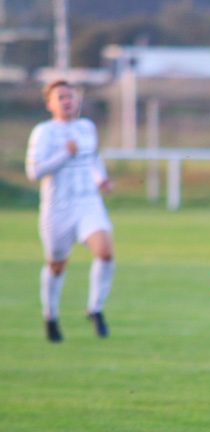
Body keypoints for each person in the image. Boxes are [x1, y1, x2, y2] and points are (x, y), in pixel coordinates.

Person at [26, 79, 115, 342]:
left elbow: (93, 157)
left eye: (71, 96)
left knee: (106, 252)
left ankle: (95, 309)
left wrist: (102, 178)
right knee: (56, 264)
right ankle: (50, 315)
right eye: (61, 97)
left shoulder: (87, 127)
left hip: (88, 202)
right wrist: (65, 154)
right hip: (57, 208)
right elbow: (33, 172)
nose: (67, 101)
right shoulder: (43, 133)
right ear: (50, 104)